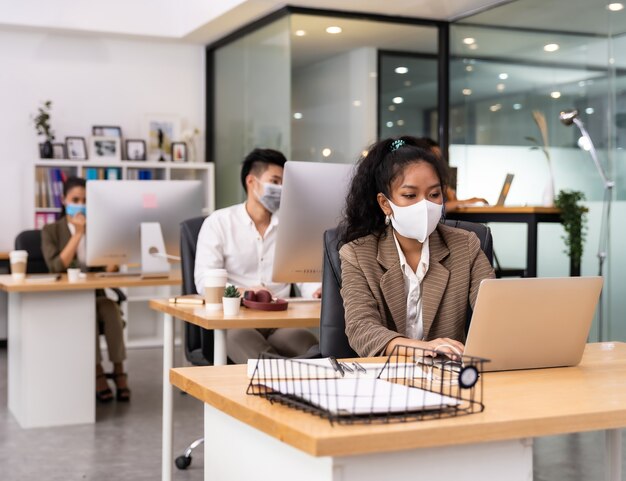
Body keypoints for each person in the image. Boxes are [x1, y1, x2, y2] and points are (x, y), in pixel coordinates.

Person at [337, 136, 495, 359]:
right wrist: (422, 347)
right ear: (385, 203)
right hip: (385, 380)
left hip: (447, 378)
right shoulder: (358, 254)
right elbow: (361, 329)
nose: (425, 205)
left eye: (434, 194)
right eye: (410, 195)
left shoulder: (465, 245)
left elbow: (495, 316)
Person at [194, 148, 319, 363]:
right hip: (236, 318)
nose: (281, 188)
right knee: (258, 356)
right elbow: (205, 282)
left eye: (284, 183)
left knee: (311, 348)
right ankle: (280, 393)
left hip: (281, 318)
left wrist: (316, 290)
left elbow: (302, 273)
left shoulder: (291, 226)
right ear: (251, 182)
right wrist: (242, 291)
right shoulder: (219, 223)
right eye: (275, 181)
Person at [41, 176, 130, 403]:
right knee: (86, 314)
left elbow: (105, 268)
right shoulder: (50, 230)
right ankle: (98, 373)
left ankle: (119, 370)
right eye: (75, 199)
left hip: (95, 295)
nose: (81, 204)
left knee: (110, 307)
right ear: (64, 200)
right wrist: (78, 233)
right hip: (66, 299)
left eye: (85, 200)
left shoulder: (97, 228)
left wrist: (116, 252)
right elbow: (56, 266)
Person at [418, 138, 488, 211]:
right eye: (434, 158)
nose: (437, 162)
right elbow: (432, 209)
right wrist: (463, 202)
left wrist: (460, 201)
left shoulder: (441, 178)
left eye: (439, 158)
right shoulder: (421, 180)